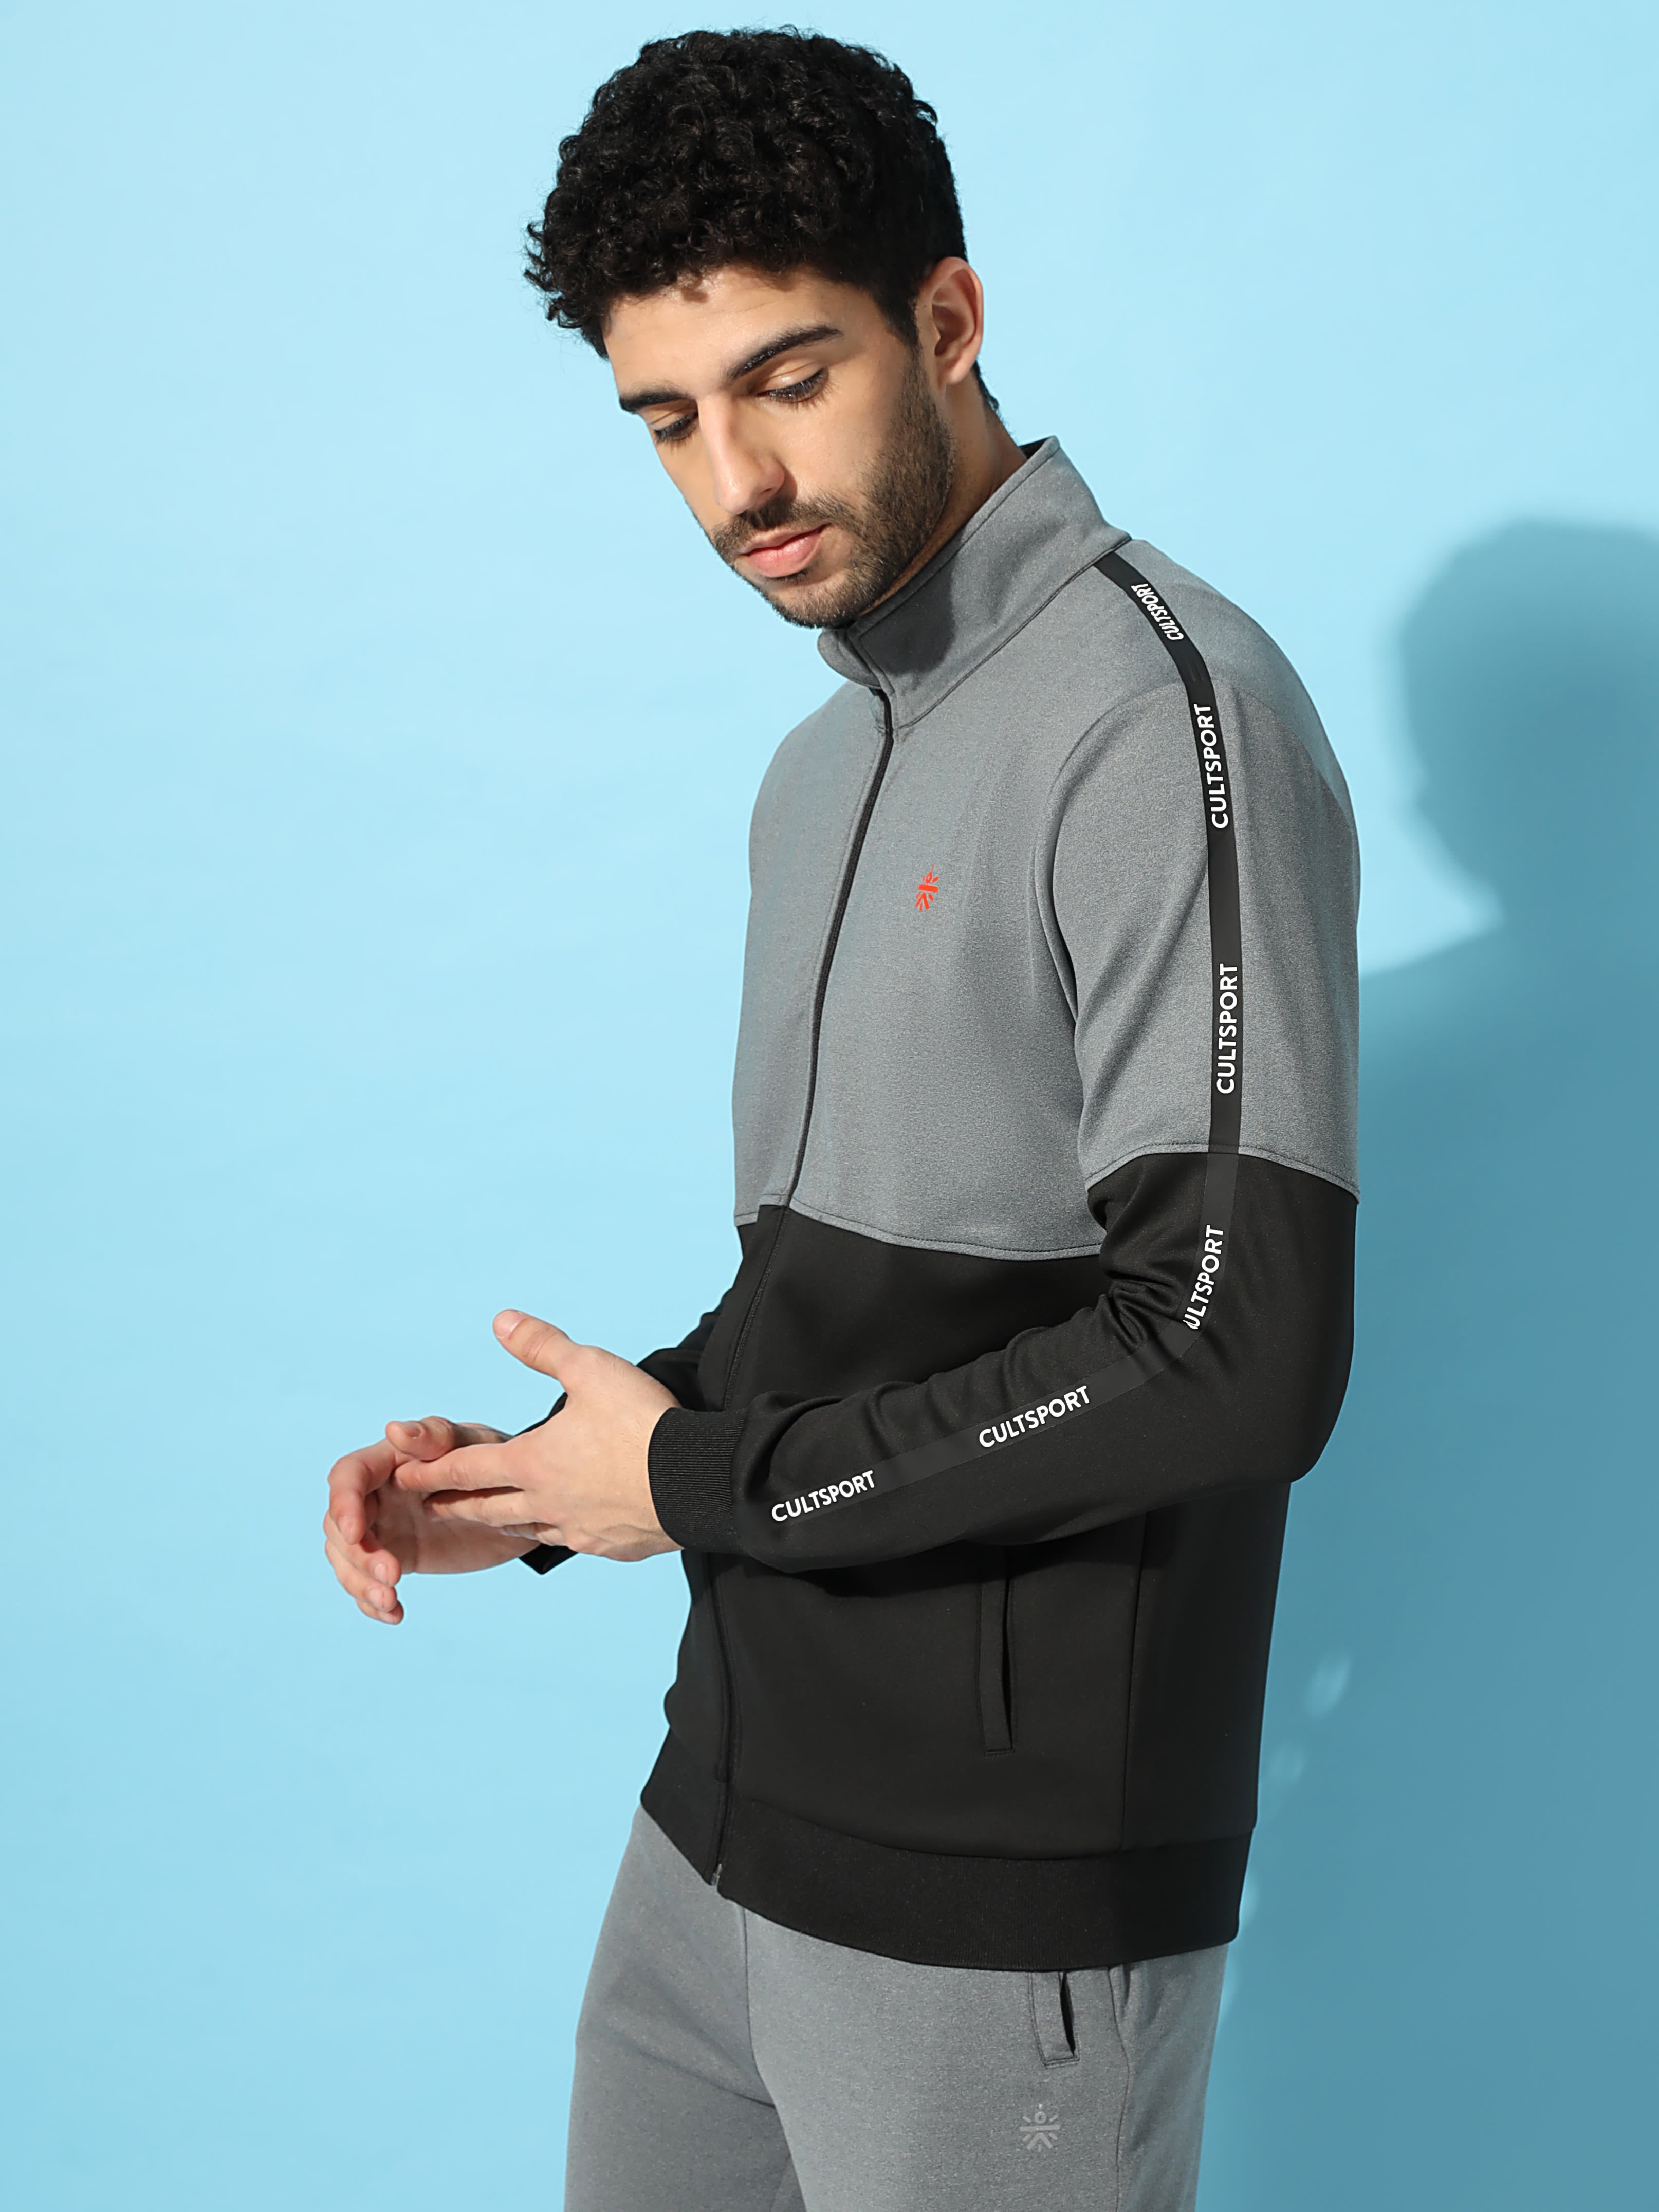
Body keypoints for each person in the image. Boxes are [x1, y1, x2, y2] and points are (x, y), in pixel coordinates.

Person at [321, 29, 1359, 2210]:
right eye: (667, 420)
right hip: (717, 1827)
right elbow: (867, 1296)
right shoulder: (823, 768)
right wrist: (553, 1478)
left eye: (787, 380)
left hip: (994, 1902)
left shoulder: (1159, 715)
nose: (734, 481)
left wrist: (690, 1478)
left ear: (947, 322)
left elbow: (1234, 1348)